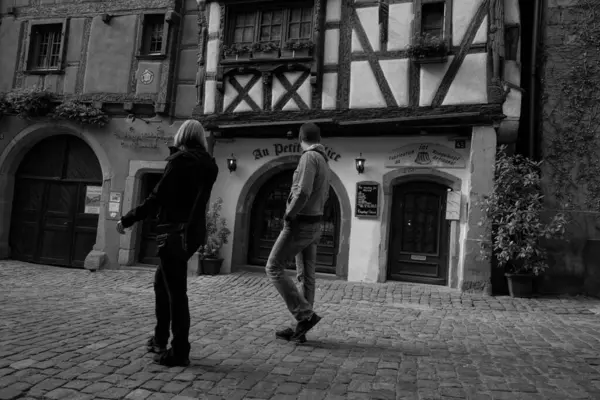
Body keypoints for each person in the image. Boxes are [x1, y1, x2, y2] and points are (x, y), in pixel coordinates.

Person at [116, 119, 218, 367]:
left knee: (176, 293)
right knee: (162, 285)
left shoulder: (180, 161)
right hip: (192, 234)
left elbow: (156, 197)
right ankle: (160, 338)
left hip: (173, 233)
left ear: (182, 135)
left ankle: (180, 350)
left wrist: (128, 219)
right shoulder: (210, 164)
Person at [268, 122, 331, 344]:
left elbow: (302, 191)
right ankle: (301, 327)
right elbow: (323, 196)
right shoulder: (324, 160)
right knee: (306, 276)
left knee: (273, 267)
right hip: (315, 224)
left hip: (300, 224)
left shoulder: (308, 158)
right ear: (319, 137)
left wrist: (289, 214)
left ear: (300, 137)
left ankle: (305, 315)